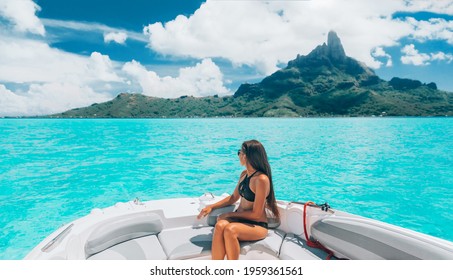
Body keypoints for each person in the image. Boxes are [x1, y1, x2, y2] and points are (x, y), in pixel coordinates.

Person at [197, 139, 279, 260]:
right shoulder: (244, 174)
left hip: (257, 225)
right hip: (240, 220)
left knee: (231, 229)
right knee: (220, 225)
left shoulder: (261, 179)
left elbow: (256, 214)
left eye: (239, 152)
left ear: (246, 156)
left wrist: (229, 215)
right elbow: (233, 198)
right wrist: (211, 207)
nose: (238, 156)